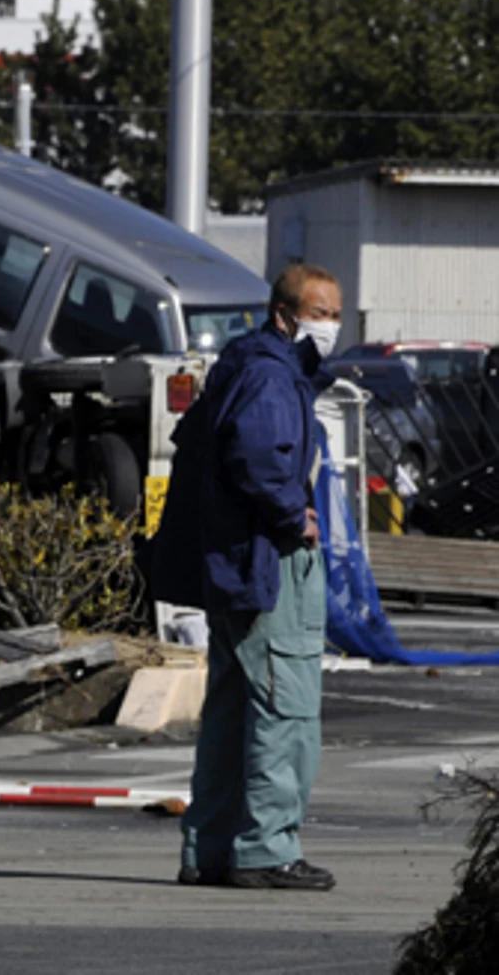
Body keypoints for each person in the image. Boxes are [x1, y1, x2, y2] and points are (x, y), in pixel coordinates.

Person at [150, 263, 344, 891]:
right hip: (267, 562)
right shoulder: (271, 376)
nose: (330, 326)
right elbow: (259, 460)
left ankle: (211, 847)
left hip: (233, 565)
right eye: (319, 314)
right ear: (285, 316)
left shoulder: (245, 365)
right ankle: (266, 848)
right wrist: (295, 516)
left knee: (233, 710)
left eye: (337, 315)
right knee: (285, 709)